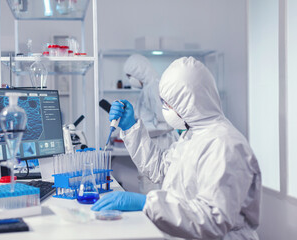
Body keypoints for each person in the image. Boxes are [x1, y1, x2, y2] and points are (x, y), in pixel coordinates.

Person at [92, 57, 262, 239]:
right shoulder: (191, 136)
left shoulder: (224, 145)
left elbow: (212, 220)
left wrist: (147, 203)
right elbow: (160, 168)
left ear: (189, 102)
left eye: (168, 103)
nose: (164, 109)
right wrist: (131, 128)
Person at [123, 54, 179, 194]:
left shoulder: (154, 87)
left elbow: (166, 123)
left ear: (139, 72)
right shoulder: (146, 89)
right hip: (151, 143)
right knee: (147, 183)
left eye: (130, 75)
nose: (130, 80)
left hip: (161, 144)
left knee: (153, 188)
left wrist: (139, 129)